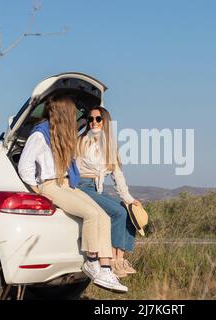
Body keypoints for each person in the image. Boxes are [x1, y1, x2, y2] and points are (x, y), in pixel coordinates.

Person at [18, 95, 128, 293]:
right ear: (64, 113)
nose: (77, 116)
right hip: (50, 185)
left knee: (102, 215)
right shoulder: (40, 134)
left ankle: (105, 268)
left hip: (67, 183)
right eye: (73, 111)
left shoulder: (61, 135)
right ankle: (92, 262)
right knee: (92, 215)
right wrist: (37, 189)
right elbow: (24, 166)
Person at [76, 106, 139, 278]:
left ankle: (120, 258)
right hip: (83, 185)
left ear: (105, 121)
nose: (93, 122)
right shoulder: (81, 141)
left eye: (98, 119)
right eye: (90, 119)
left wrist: (128, 198)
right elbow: (73, 168)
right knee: (117, 212)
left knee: (127, 209)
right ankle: (111, 260)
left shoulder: (109, 145)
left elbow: (117, 174)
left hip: (97, 187)